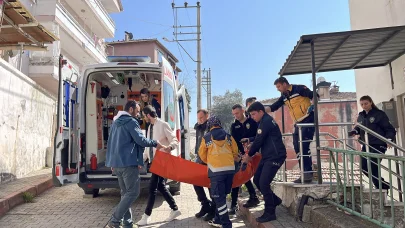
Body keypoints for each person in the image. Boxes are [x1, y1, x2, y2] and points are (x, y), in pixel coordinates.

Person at [105, 101, 163, 228]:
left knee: (125, 193)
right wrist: (155, 143)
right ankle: (115, 220)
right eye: (137, 111)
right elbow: (140, 140)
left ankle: (128, 223)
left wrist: (111, 161)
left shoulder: (115, 122)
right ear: (131, 109)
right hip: (128, 163)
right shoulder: (131, 122)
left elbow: (111, 142)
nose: (138, 114)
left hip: (117, 164)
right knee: (133, 193)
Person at [242, 102, 286, 223]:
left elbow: (259, 140)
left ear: (261, 112)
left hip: (275, 156)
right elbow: (259, 138)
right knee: (257, 180)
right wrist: (251, 142)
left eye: (254, 114)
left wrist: (248, 155)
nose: (252, 117)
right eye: (250, 115)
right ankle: (275, 200)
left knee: (264, 183)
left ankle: (270, 212)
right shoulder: (262, 121)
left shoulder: (266, 121)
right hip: (267, 156)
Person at [138, 105, 181, 225]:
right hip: (153, 162)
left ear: (148, 115)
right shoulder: (149, 127)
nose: (144, 118)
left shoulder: (163, 124)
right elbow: (148, 146)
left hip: (162, 160)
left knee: (152, 188)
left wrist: (170, 147)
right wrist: (143, 159)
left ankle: (146, 215)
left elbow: (175, 139)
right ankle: (175, 209)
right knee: (161, 186)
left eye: (144, 115)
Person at [269, 77, 317, 183]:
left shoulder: (299, 89)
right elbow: (274, 106)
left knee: (303, 145)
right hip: (298, 122)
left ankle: (308, 173)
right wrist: (260, 110)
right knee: (297, 147)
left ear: (285, 84)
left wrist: (313, 105)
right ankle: (304, 173)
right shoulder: (284, 96)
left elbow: (314, 95)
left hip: (308, 119)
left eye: (279, 86)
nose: (278, 89)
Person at [198, 116, 239, 228]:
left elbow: (201, 155)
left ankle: (226, 224)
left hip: (216, 172)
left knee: (219, 199)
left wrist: (209, 161)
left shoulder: (206, 138)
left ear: (209, 125)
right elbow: (235, 152)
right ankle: (217, 220)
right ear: (219, 123)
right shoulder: (229, 137)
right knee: (221, 196)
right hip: (230, 171)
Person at [349, 95, 396, 190]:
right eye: (362, 104)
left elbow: (389, 129)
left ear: (371, 102)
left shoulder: (379, 114)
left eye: (366, 103)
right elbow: (359, 127)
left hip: (378, 144)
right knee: (363, 167)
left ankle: (381, 187)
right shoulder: (361, 116)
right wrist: (355, 131)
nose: (364, 106)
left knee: (373, 166)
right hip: (366, 144)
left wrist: (389, 139)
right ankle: (383, 185)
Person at [228, 104, 259, 215]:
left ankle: (254, 197)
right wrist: (237, 155)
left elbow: (259, 136)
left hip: (254, 154)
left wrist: (251, 144)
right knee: (238, 176)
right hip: (241, 155)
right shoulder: (234, 126)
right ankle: (233, 205)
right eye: (234, 114)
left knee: (252, 177)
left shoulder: (253, 122)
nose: (235, 116)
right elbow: (233, 142)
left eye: (237, 113)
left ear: (243, 111)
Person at [193, 109, 216, 221]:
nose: (200, 120)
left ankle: (213, 209)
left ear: (207, 116)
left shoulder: (211, 126)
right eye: (198, 118)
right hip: (199, 159)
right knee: (196, 182)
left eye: (202, 118)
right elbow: (198, 142)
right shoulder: (198, 127)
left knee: (210, 185)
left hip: (210, 160)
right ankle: (205, 205)